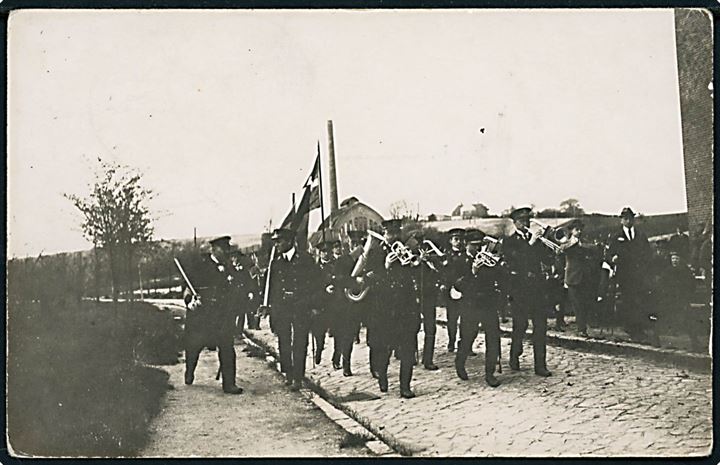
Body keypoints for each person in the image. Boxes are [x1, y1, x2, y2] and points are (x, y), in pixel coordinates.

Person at [360, 219, 421, 398]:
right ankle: (383, 376)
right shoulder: (375, 253)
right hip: (385, 309)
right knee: (384, 348)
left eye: (396, 233)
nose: (393, 237)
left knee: (408, 349)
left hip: (406, 307)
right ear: (384, 234)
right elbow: (369, 279)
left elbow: (417, 275)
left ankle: (405, 386)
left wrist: (413, 265)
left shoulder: (408, 251)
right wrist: (385, 266)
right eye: (390, 234)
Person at [181, 235, 243, 394]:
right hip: (201, 316)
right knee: (193, 347)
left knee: (227, 347)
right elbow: (187, 287)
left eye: (228, 249)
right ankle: (189, 371)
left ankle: (229, 384)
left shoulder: (230, 268)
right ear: (214, 249)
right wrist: (189, 301)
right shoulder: (200, 266)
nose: (227, 252)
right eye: (224, 249)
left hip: (222, 317)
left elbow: (235, 289)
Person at [260, 228, 320, 391]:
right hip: (282, 309)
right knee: (283, 342)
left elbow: (316, 284)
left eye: (279, 241)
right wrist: (268, 307)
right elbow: (270, 288)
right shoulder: (276, 263)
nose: (277, 245)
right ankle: (289, 374)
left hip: (301, 306)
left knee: (300, 342)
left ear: (289, 241)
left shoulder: (305, 259)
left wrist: (314, 305)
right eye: (275, 242)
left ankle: (298, 378)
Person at [502, 207, 553, 377]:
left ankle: (540, 365)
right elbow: (516, 261)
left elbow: (547, 259)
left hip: (537, 289)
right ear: (515, 222)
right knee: (520, 325)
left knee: (541, 327)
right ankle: (514, 354)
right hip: (520, 290)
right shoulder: (509, 242)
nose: (526, 223)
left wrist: (547, 241)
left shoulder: (536, 240)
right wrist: (531, 243)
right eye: (522, 221)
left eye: (527, 220)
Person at [453, 229, 503, 387]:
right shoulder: (459, 261)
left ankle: (490, 373)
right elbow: (457, 285)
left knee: (493, 338)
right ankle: (460, 362)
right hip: (470, 305)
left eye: (480, 245)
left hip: (488, 303)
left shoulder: (488, 258)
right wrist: (473, 272)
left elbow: (497, 278)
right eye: (474, 245)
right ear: (466, 245)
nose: (478, 248)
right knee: (468, 337)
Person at [607, 207, 652, 341]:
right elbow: (609, 254)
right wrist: (613, 258)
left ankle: (639, 328)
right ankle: (631, 328)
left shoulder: (641, 235)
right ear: (621, 220)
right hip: (625, 275)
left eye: (630, 218)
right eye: (625, 218)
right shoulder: (616, 237)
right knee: (628, 301)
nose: (628, 221)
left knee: (639, 301)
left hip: (639, 274)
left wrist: (644, 268)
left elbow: (647, 253)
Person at [556, 219, 599, 337]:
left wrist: (580, 244)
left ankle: (583, 328)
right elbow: (560, 251)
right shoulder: (566, 243)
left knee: (584, 304)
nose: (579, 232)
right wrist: (570, 243)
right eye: (576, 230)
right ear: (571, 231)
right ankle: (581, 329)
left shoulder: (583, 242)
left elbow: (594, 248)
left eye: (580, 229)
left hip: (585, 277)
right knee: (577, 305)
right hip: (572, 278)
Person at [410, 232, 442, 370]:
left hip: (429, 296)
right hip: (414, 297)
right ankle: (412, 356)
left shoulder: (432, 258)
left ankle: (428, 359)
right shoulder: (412, 256)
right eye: (419, 243)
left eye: (423, 243)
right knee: (412, 327)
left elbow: (439, 272)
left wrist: (430, 263)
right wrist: (418, 261)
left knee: (430, 328)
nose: (422, 246)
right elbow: (408, 271)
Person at [440, 228, 466, 352]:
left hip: (466, 291)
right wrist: (446, 285)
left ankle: (465, 344)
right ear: (451, 241)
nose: (459, 242)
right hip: (452, 292)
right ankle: (451, 342)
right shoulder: (446, 256)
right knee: (452, 320)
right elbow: (442, 273)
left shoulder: (467, 255)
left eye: (461, 239)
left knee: (466, 319)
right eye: (456, 239)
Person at [311, 241, 334, 366]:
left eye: (328, 251)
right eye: (323, 252)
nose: (326, 254)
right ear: (319, 253)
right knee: (319, 333)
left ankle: (336, 357)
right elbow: (312, 287)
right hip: (319, 304)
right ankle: (319, 349)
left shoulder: (335, 265)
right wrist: (324, 290)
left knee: (338, 332)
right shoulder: (314, 268)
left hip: (334, 304)